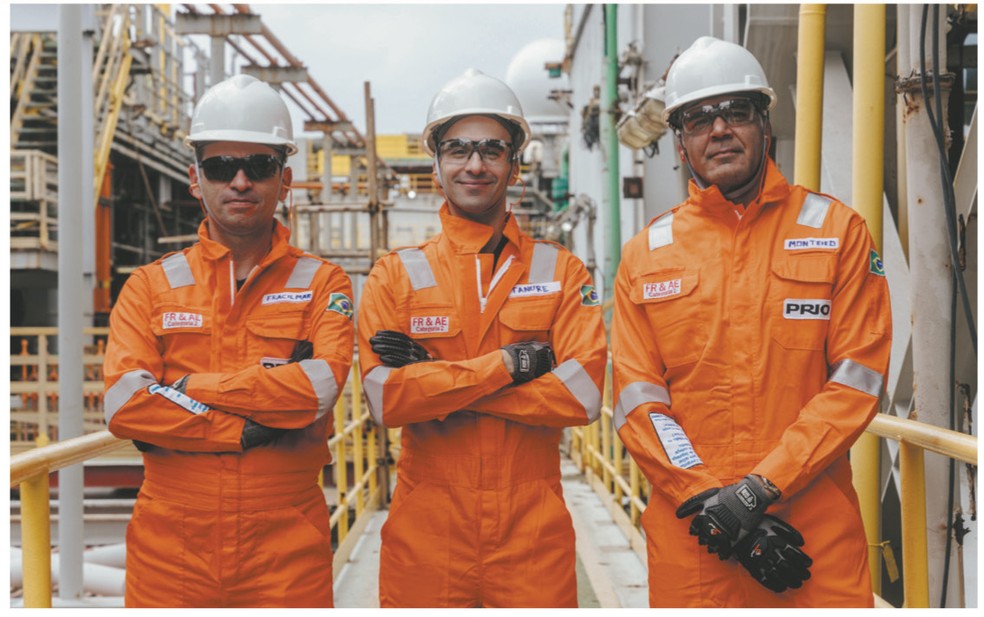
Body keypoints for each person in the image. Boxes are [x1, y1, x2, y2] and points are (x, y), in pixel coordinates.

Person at [611, 36, 892, 608]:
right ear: (679, 142)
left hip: (813, 531)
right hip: (696, 536)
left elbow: (856, 380)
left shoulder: (837, 232)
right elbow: (639, 400)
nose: (718, 130)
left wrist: (761, 488)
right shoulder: (646, 254)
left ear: (764, 124)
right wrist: (711, 498)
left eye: (735, 112)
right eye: (698, 119)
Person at [357, 68, 607, 608]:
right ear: (436, 165)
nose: (475, 164)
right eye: (458, 149)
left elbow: (582, 395)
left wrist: (437, 380)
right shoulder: (395, 276)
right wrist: (509, 365)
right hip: (426, 536)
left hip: (532, 534)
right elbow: (386, 399)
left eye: (492, 149)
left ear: (515, 166)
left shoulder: (562, 271)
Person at [103, 74, 354, 608]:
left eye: (258, 166)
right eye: (221, 166)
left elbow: (319, 389)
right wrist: (243, 427)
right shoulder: (150, 285)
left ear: (284, 180)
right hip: (170, 543)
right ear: (196, 179)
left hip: (285, 542)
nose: (239, 181)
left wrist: (187, 386)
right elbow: (125, 404)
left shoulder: (323, 282)